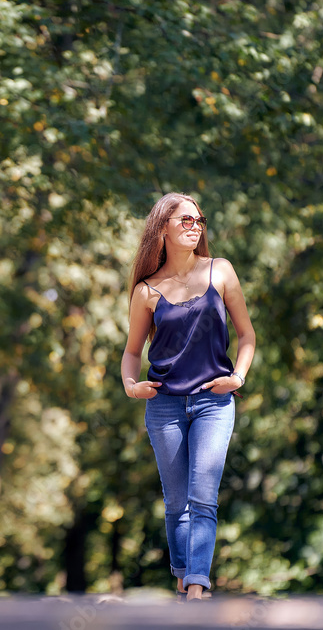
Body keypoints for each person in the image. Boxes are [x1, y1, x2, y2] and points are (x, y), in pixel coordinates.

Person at [121, 192, 255, 602]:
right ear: (163, 228)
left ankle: (197, 585)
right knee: (176, 501)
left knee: (202, 497)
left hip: (214, 401)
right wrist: (131, 385)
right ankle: (183, 575)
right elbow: (131, 352)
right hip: (163, 404)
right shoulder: (147, 291)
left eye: (199, 221)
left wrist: (238, 377)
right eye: (186, 221)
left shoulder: (221, 271)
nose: (195, 227)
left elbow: (247, 336)